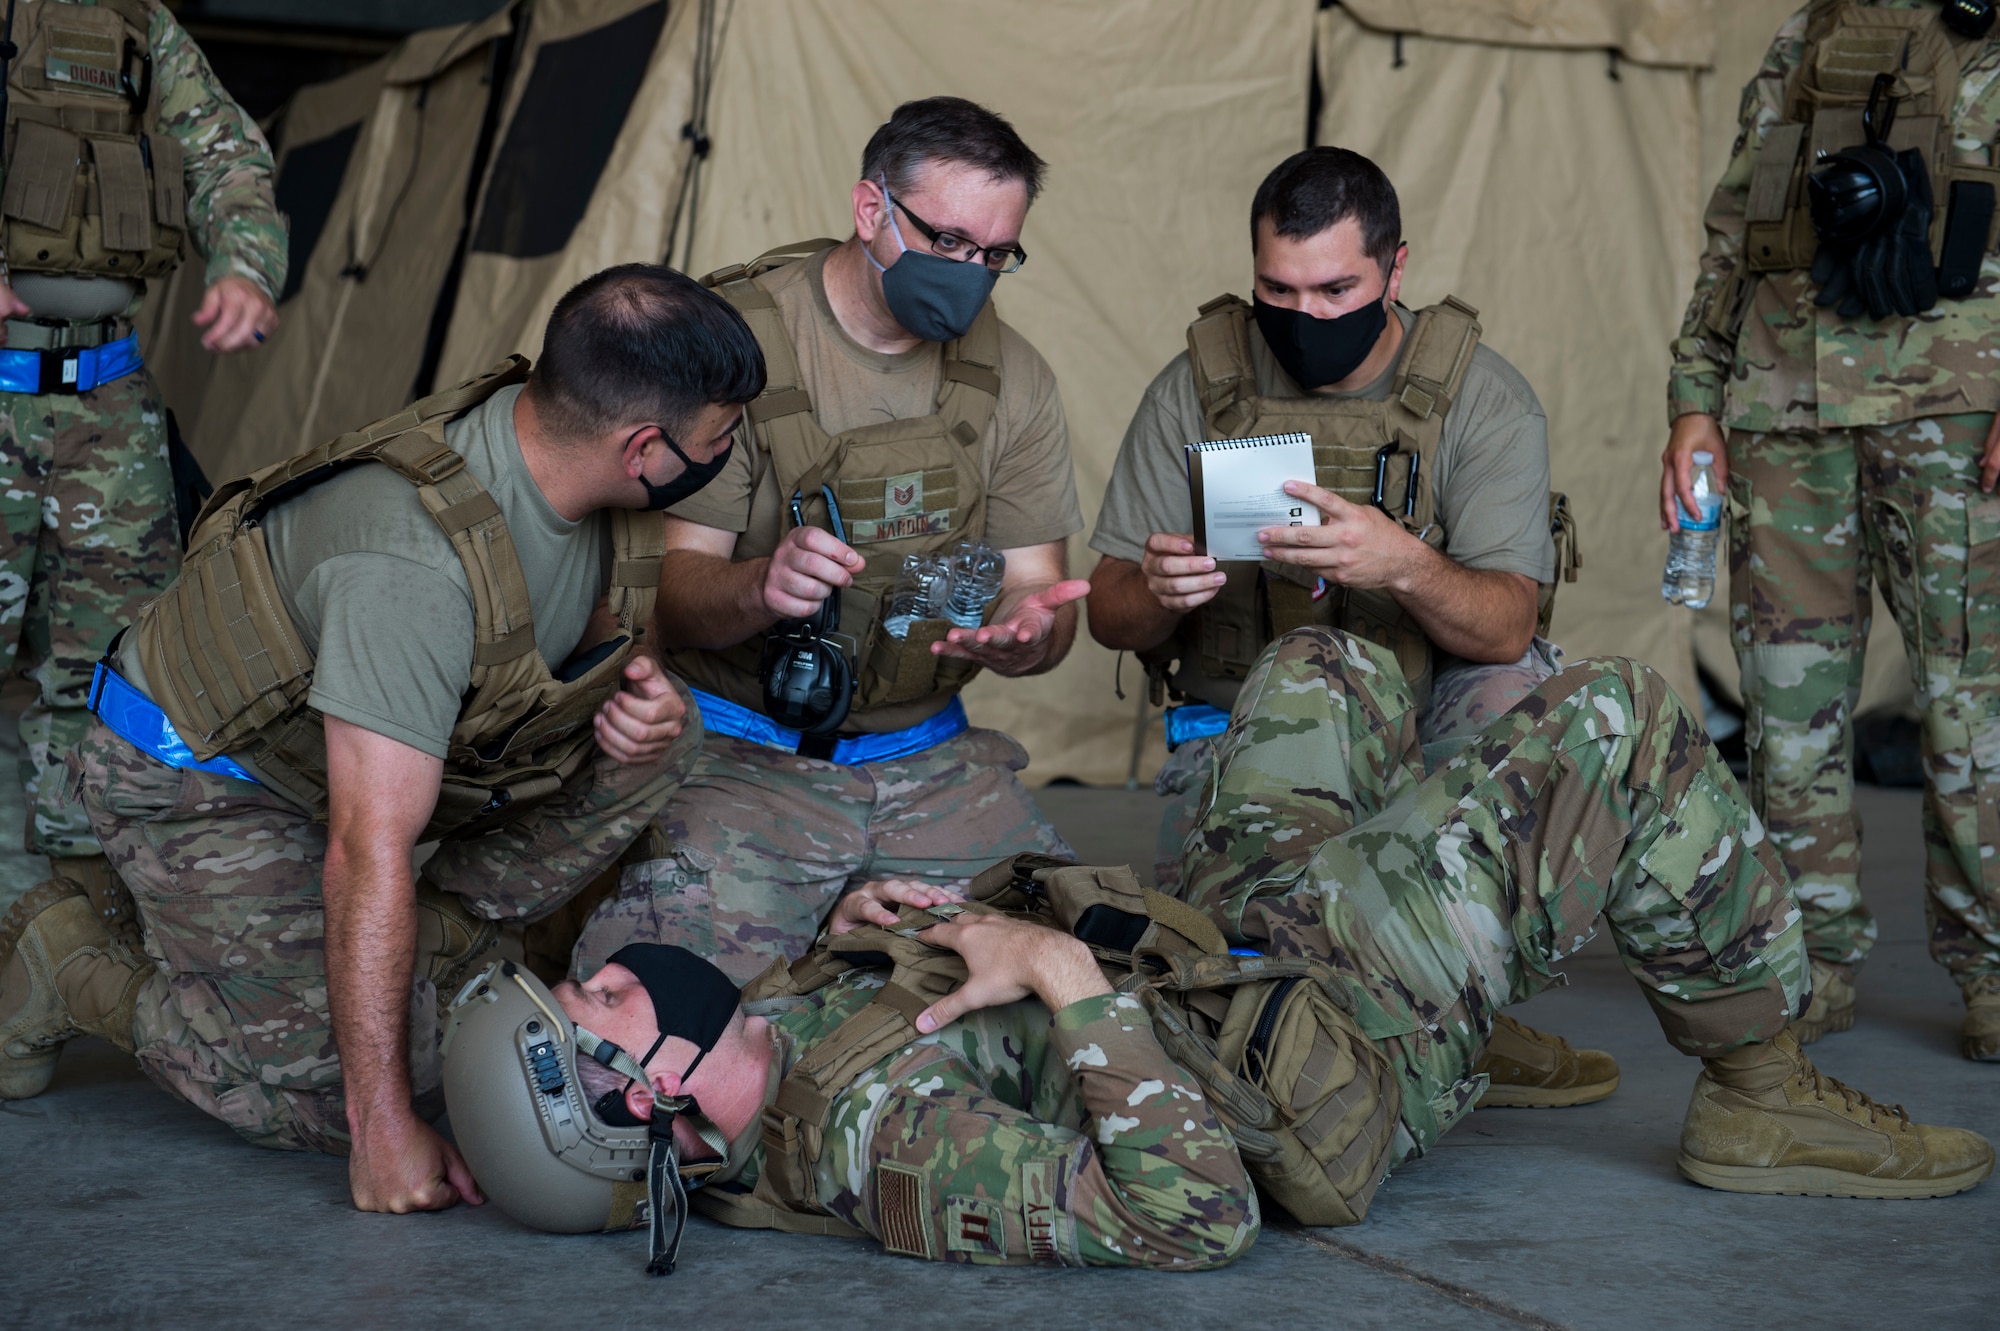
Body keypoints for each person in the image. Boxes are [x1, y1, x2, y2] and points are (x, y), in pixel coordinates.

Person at [0, 264, 762, 1215]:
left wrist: (642, 704)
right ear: (643, 448)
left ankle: (427, 949)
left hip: (363, 760)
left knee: (674, 740)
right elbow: (367, 850)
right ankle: (66, 959)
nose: (729, 461)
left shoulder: (564, 450)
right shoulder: (410, 568)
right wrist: (382, 1128)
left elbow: (599, 640)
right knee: (336, 1090)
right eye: (718, 441)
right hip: (203, 776)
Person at [1085, 146, 1600, 1108]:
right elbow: (1109, 617)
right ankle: (1428, 1003)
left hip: (1424, 734)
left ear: (1394, 270)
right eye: (1277, 290)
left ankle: (1459, 997)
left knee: (1522, 701)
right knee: (1227, 981)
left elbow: (1505, 626)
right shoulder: (1198, 385)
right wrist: (1162, 587)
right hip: (1248, 742)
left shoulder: (1479, 398)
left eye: (1335, 289)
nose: (1305, 317)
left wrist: (1401, 561)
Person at [1180, 626, 1991, 1197]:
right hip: (1287, 1060)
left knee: (1320, 661)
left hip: (1193, 967)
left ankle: (1463, 1016)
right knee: (1620, 715)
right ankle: (1761, 1090)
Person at [586, 96, 1088, 984]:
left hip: (929, 759)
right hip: (747, 757)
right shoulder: (738, 348)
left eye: (995, 254)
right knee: (659, 1020)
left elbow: (1038, 586)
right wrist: (759, 588)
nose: (970, 273)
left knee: (1073, 975)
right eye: (948, 241)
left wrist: (1027, 634)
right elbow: (672, 590)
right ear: (871, 212)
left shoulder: (1015, 377)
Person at [1662, 0, 2000, 1060]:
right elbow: (1736, 225)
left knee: (1970, 699)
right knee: (1787, 703)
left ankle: (1991, 969)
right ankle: (1806, 958)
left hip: (1953, 401)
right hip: (1780, 396)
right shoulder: (1802, 34)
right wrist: (1692, 397)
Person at [0, 0, 287, 930]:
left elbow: (225, 152)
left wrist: (244, 263)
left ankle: (63, 948)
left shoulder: (130, 24)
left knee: (107, 677)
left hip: (105, 406)